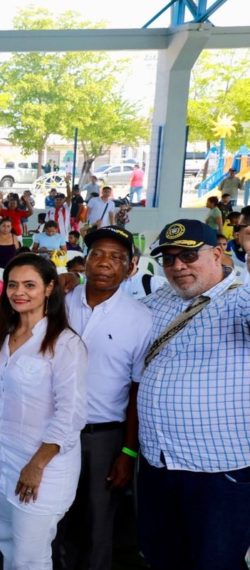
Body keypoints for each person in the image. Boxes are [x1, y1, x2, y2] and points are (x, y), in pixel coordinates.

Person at [134, 219, 250, 568]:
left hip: (217, 471)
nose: (178, 266)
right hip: (159, 462)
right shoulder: (162, 299)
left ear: (217, 253)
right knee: (162, 556)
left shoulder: (242, 298)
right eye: (168, 259)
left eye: (188, 255)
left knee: (216, 562)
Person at [0, 253, 88, 567]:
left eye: (30, 284)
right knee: (6, 546)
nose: (19, 292)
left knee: (31, 557)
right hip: (0, 464)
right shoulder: (3, 335)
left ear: (49, 288)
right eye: (13, 285)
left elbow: (70, 414)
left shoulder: (65, 344)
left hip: (41, 469)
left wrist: (37, 465)